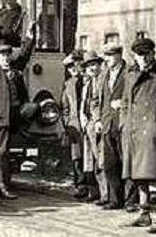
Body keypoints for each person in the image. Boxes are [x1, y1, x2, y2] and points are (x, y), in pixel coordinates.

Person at [122, 37, 156, 234]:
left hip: (151, 132)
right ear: (134, 56)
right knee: (139, 175)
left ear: (152, 54)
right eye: (139, 55)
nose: (143, 59)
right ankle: (144, 213)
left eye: (147, 54)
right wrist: (124, 124)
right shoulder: (130, 75)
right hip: (133, 131)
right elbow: (126, 102)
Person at [0, 22, 37, 199]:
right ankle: (2, 187)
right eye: (2, 56)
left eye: (7, 55)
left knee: (35, 107)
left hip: (16, 115)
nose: (5, 58)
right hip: (1, 117)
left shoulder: (15, 70)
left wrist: (29, 37)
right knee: (2, 151)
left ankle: (24, 130)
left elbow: (25, 56)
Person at [94, 43, 127, 210]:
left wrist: (123, 103)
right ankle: (115, 199)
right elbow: (99, 99)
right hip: (107, 124)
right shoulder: (104, 75)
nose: (107, 59)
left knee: (126, 162)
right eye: (106, 56)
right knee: (109, 163)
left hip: (123, 123)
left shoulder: (129, 73)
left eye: (111, 55)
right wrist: (98, 119)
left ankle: (130, 200)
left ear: (120, 55)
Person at [59, 49, 86, 196]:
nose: (74, 69)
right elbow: (65, 107)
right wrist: (66, 123)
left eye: (76, 65)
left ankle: (93, 187)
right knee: (76, 157)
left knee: (90, 157)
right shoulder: (68, 84)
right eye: (70, 67)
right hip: (74, 125)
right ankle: (80, 185)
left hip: (87, 125)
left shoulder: (89, 80)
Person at [81, 50, 104, 204]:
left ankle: (105, 193)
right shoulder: (87, 83)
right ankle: (93, 191)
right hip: (87, 123)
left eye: (94, 65)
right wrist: (83, 117)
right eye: (89, 65)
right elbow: (84, 103)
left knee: (100, 159)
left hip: (97, 123)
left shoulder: (102, 81)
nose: (92, 68)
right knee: (88, 160)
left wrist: (98, 120)